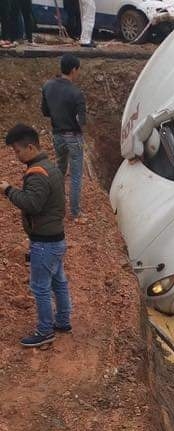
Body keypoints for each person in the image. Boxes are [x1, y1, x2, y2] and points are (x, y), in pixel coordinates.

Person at [0, 124, 72, 347]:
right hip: (56, 238)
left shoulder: (38, 173)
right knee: (58, 282)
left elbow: (32, 204)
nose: (16, 155)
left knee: (40, 287)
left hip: (44, 243)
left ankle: (45, 331)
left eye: (17, 151)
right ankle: (62, 321)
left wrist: (8, 190)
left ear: (30, 147)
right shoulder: (50, 167)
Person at [42, 53, 86, 222]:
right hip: (73, 137)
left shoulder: (47, 86)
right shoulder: (76, 93)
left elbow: (45, 112)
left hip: (57, 135)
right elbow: (80, 121)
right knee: (75, 176)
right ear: (74, 70)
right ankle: (75, 213)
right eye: (78, 70)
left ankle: (56, 207)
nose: (78, 73)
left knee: (60, 169)